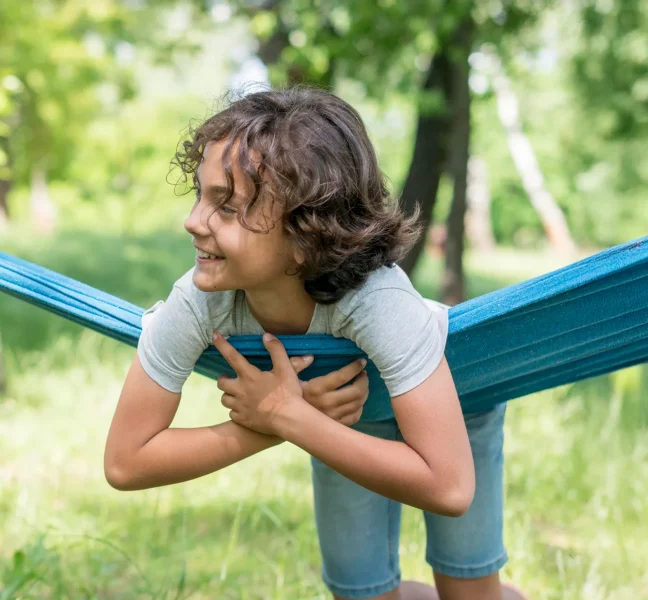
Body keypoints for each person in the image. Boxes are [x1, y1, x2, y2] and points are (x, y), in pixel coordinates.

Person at [104, 88, 526, 600]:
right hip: (340, 416)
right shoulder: (198, 300)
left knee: (469, 593)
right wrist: (279, 421)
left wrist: (293, 416)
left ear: (307, 233)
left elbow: (450, 487)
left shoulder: (377, 299)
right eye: (200, 194)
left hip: (456, 400)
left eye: (227, 206)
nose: (194, 221)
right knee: (361, 593)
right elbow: (126, 462)